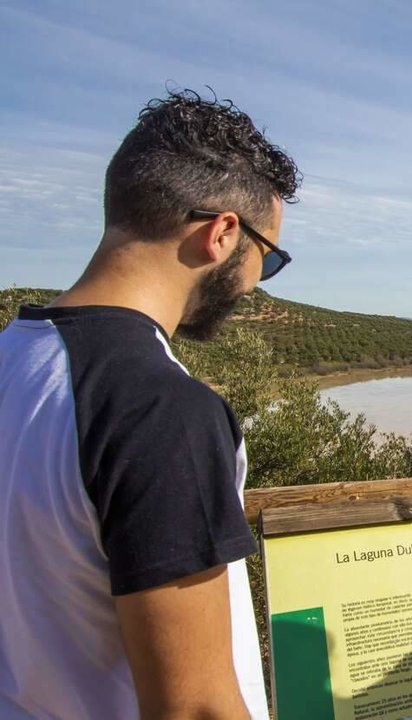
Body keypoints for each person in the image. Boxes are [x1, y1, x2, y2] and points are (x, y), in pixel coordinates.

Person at [0, 90, 300, 719]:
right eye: (266, 259)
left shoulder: (13, 359)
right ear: (222, 234)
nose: (253, 283)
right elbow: (195, 708)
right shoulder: (160, 412)